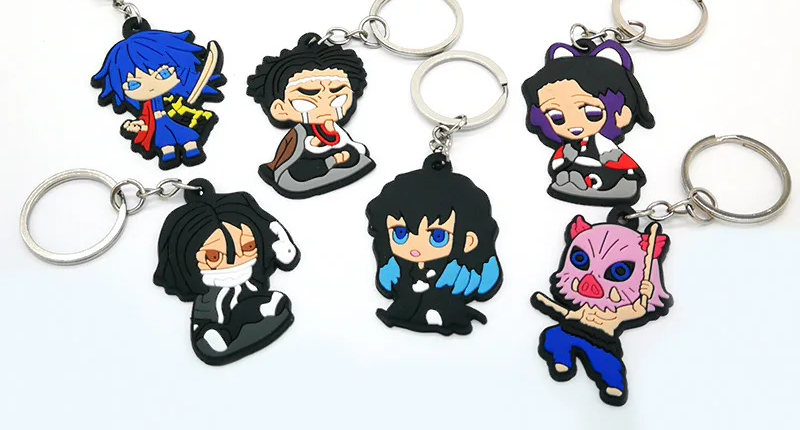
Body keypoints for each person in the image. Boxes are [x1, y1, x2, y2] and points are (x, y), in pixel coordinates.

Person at [154, 179, 299, 365]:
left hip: (252, 304)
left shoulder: (252, 278)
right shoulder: (208, 296)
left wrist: (282, 249)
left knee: (270, 301)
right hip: (213, 324)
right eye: (214, 256)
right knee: (214, 329)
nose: (235, 260)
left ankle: (259, 313)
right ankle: (220, 336)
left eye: (248, 247)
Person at [532, 215, 672, 406]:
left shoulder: (617, 313)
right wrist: (547, 303)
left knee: (606, 363)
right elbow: (568, 314)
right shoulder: (584, 307)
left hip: (601, 341)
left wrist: (646, 292)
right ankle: (562, 360)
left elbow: (638, 309)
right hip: (572, 330)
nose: (591, 282)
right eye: (580, 259)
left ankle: (614, 385)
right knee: (553, 336)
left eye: (619, 271)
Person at [366, 154, 502, 335]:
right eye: (400, 233)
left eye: (437, 236)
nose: (415, 247)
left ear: (469, 240)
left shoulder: (455, 272)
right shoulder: (400, 268)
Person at [522, 40, 654, 206]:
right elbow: (558, 162)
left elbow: (621, 162)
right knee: (570, 173)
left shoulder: (605, 145)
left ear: (622, 112)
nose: (573, 124)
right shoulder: (568, 147)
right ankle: (573, 182)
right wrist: (566, 158)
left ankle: (594, 185)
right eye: (557, 117)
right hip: (579, 170)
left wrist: (613, 163)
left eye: (591, 113)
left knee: (608, 178)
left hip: (608, 175)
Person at [246, 33, 374, 198]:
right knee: (302, 170)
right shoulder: (298, 133)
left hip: (338, 161)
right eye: (307, 100)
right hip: (304, 168)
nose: (325, 107)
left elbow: (348, 144)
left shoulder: (335, 127)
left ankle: (334, 162)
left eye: (338, 98)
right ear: (280, 109)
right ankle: (328, 163)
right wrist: (317, 147)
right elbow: (288, 156)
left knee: (353, 154)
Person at [92, 27, 224, 168]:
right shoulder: (147, 106)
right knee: (164, 142)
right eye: (134, 84)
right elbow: (145, 118)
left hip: (176, 119)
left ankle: (191, 150)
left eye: (163, 74)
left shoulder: (173, 96)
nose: (151, 86)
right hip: (159, 125)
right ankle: (168, 155)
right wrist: (137, 125)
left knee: (185, 135)